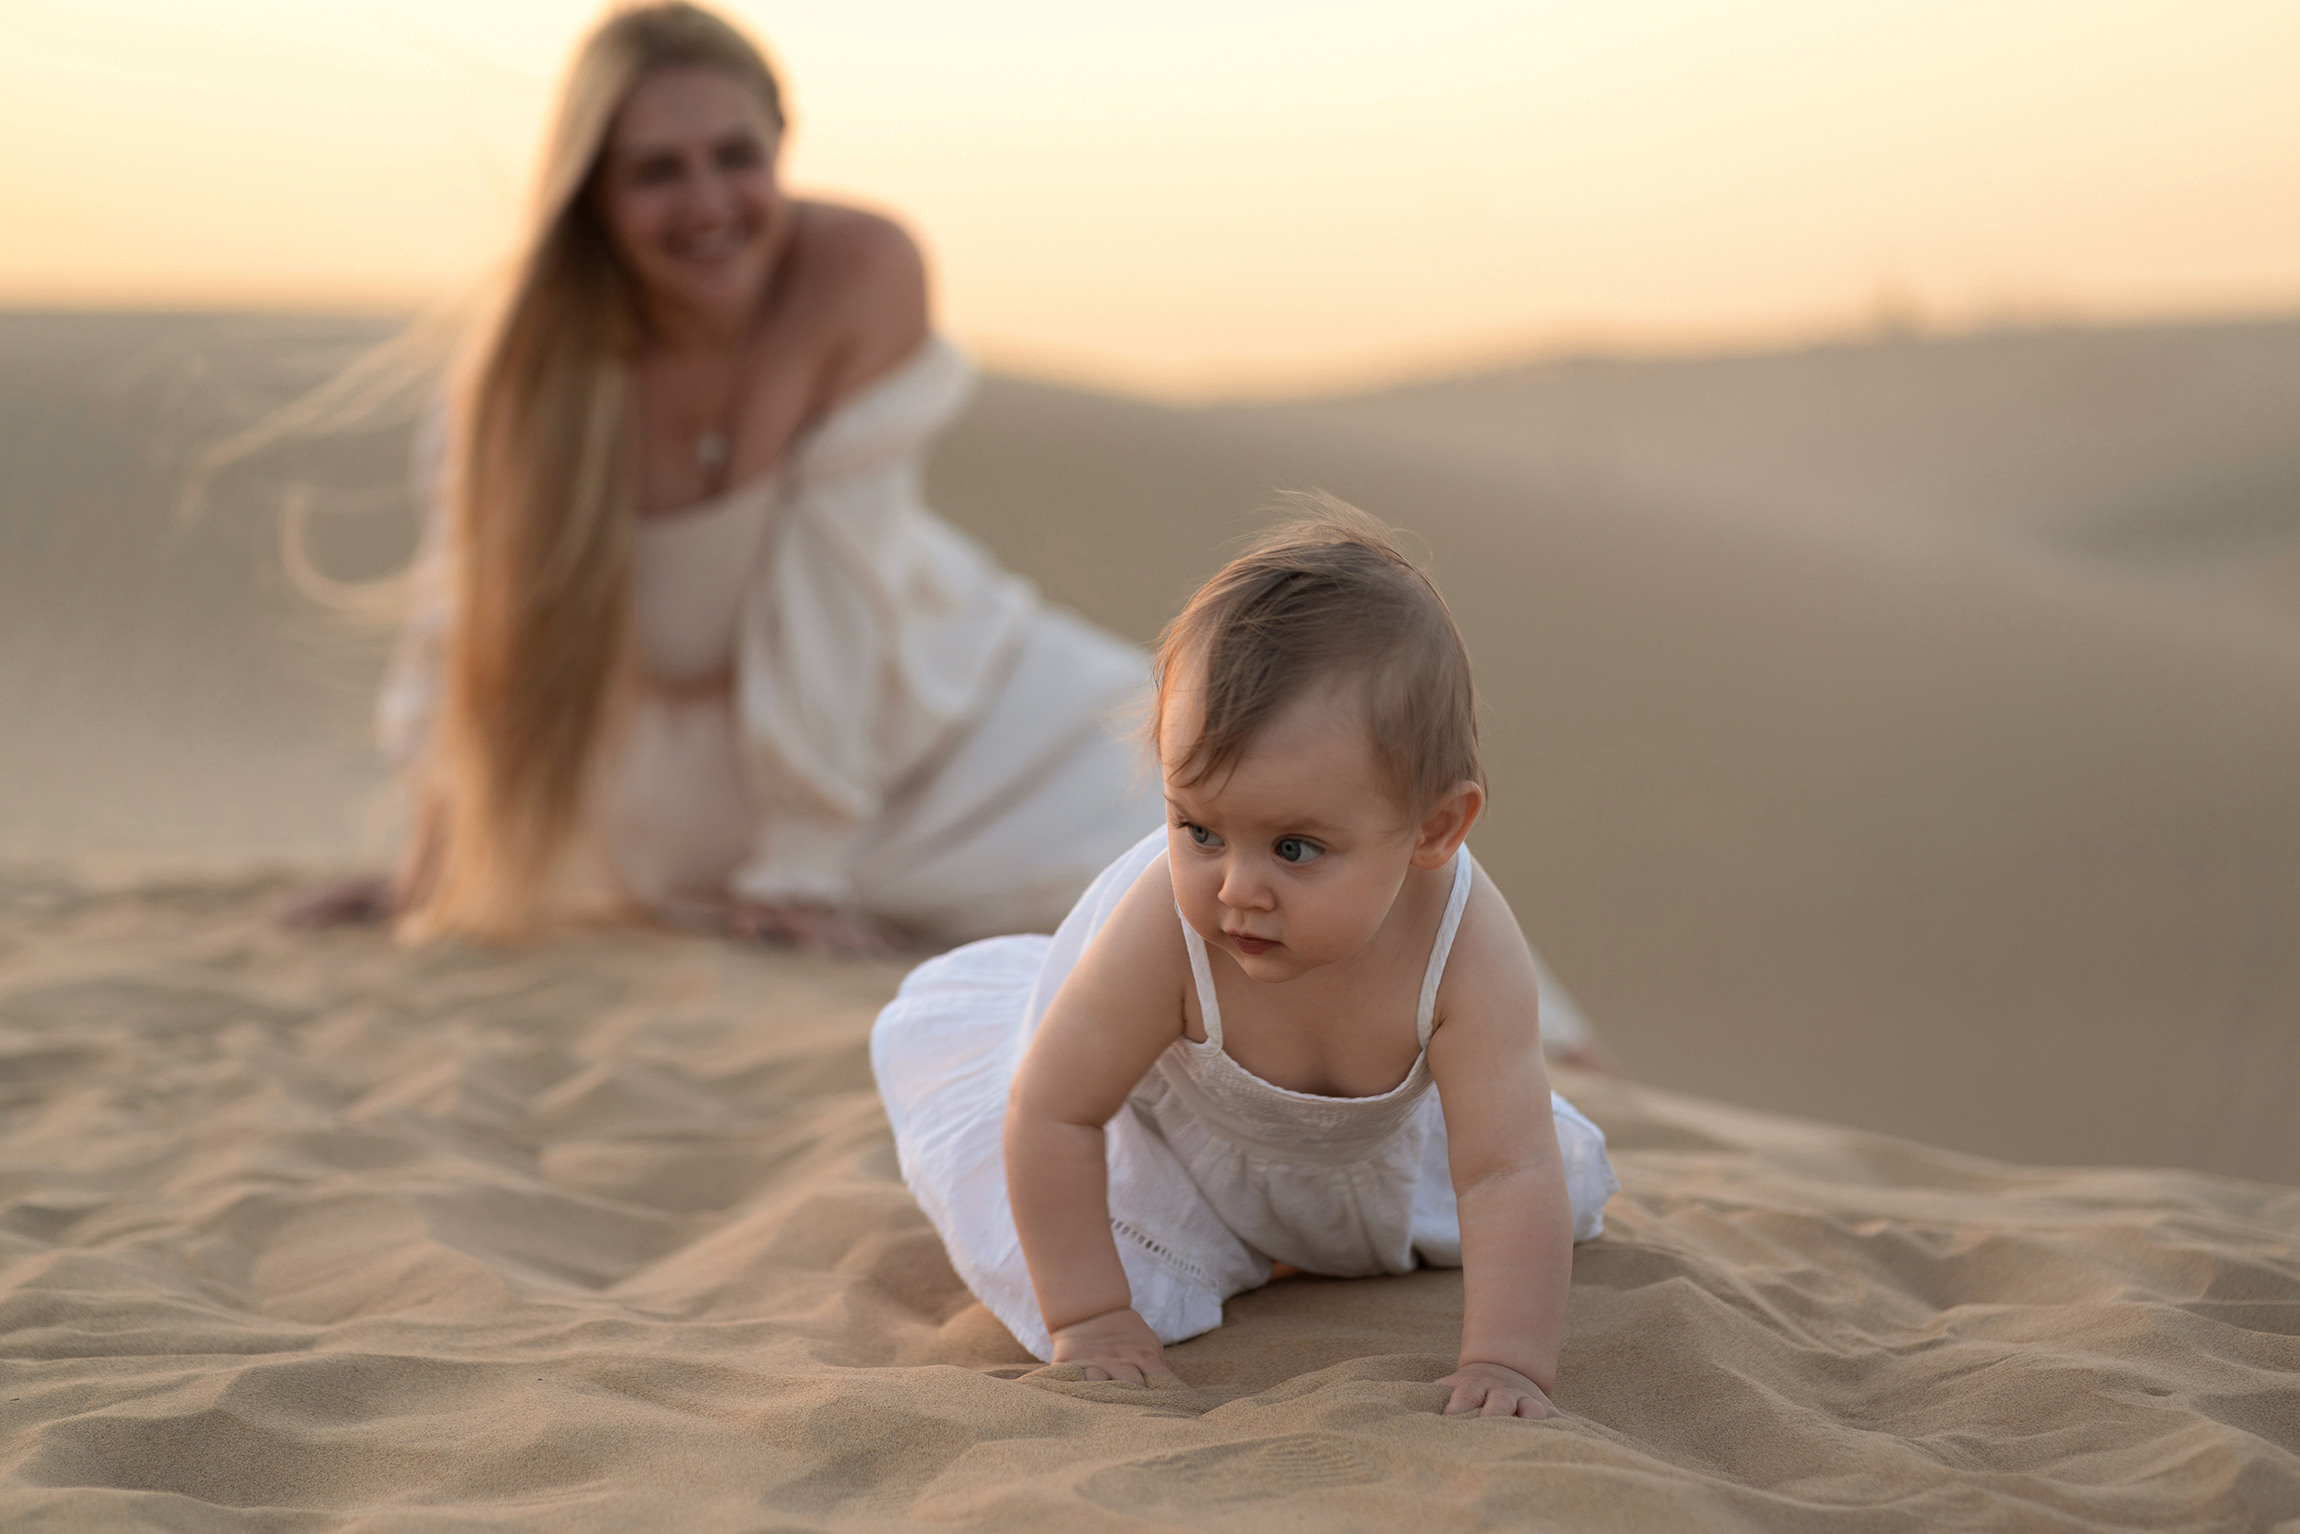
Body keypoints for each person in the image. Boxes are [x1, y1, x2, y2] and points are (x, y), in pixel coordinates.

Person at [300, 2, 1158, 950]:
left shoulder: (859, 270)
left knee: (1197, 802)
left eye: (735, 156)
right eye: (657, 172)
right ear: (594, 195)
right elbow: (461, 621)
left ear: (783, 140)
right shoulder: (529, 369)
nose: (708, 204)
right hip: (700, 807)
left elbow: (838, 584)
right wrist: (435, 856)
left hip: (932, 713)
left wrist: (803, 855)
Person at [872, 502, 1618, 1418]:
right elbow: (1054, 1111)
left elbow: (1504, 1169)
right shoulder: (1167, 930)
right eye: (1200, 829)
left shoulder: (1467, 949)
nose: (1237, 890)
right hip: (1170, 1159)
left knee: (1553, 1197)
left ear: (1433, 829)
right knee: (1127, 1278)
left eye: (1295, 848)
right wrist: (1093, 1317)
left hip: (1372, 1169)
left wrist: (1508, 1363)